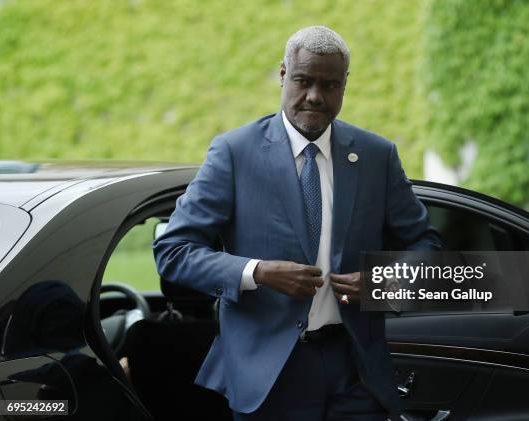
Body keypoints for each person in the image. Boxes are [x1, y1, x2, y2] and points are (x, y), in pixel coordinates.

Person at [153, 25, 441, 421]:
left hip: (355, 368)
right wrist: (257, 272)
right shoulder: (234, 153)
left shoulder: (377, 155)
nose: (315, 97)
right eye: (304, 81)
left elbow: (425, 244)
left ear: (345, 85)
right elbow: (174, 251)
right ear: (283, 74)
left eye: (330, 85)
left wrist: (382, 282)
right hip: (270, 375)